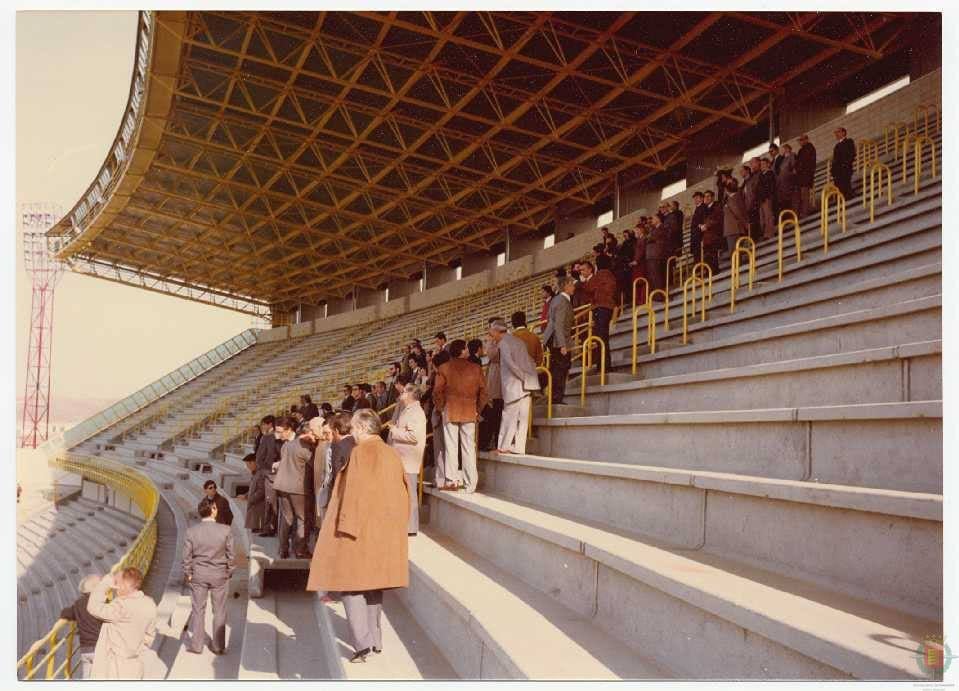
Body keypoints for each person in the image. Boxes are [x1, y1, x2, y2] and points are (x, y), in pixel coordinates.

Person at [307, 409, 409, 663]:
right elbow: (405, 495)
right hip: (384, 531)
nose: (351, 431)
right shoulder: (391, 453)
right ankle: (375, 640)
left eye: (353, 428)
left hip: (358, 531)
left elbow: (351, 496)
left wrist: (343, 529)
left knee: (351, 587)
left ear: (363, 429)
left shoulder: (361, 453)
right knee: (374, 587)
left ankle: (361, 645)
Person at [433, 339, 488, 493]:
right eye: (466, 348)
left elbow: (437, 391)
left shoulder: (443, 368)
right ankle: (471, 484)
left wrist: (441, 407)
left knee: (451, 447)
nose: (468, 350)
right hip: (470, 410)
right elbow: (484, 392)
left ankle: (452, 482)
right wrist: (478, 409)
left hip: (450, 410)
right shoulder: (476, 368)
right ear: (462, 350)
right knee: (469, 448)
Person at [182, 497, 235, 655]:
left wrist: (188, 574)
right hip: (219, 575)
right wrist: (229, 572)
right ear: (213, 510)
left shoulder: (191, 532)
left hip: (199, 575)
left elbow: (186, 557)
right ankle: (218, 646)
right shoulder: (226, 530)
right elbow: (231, 555)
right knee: (219, 610)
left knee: (198, 609)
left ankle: (197, 646)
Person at [87, 567, 157, 679]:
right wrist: (135, 651)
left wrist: (104, 585)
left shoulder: (121, 606)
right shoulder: (150, 604)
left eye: (117, 583)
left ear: (124, 585)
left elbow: (93, 607)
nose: (115, 587)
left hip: (115, 668)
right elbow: (149, 636)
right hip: (135, 663)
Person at [491, 319, 541, 455]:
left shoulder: (504, 343)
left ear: (496, 331)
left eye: (491, 331)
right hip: (527, 384)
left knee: (508, 416)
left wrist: (523, 377)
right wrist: (528, 380)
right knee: (523, 418)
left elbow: (511, 364)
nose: (491, 334)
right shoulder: (518, 341)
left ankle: (503, 446)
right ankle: (519, 447)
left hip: (515, 383)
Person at [388, 384, 427, 536]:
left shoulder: (416, 412)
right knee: (404, 495)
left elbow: (413, 436)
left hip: (409, 461)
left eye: (404, 391)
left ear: (411, 394)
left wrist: (394, 431)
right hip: (402, 459)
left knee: (410, 495)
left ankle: (411, 528)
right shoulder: (409, 410)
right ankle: (405, 526)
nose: (401, 393)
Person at [272, 416, 312, 559]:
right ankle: (300, 550)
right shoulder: (304, 446)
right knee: (302, 519)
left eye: (280, 431)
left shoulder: (286, 445)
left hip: (282, 485)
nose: (278, 435)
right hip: (297, 488)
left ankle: (283, 549)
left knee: (286, 519)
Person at [59, 575, 105, 679]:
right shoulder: (101, 602)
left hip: (86, 650)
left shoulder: (78, 604)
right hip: (100, 648)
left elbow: (65, 613)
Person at [541, 276, 575, 406]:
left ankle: (543, 387)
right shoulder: (562, 301)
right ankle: (556, 398)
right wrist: (562, 345)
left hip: (553, 338)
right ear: (565, 286)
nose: (574, 287)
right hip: (558, 339)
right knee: (561, 368)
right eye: (572, 285)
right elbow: (559, 324)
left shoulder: (556, 299)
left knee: (555, 368)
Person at [318, 412, 355, 529]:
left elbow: (337, 472)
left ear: (336, 431)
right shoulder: (357, 442)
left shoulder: (338, 446)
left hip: (342, 491)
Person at [579, 258, 616, 373]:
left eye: (583, 270)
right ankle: (603, 365)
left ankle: (605, 366)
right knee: (601, 338)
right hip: (603, 308)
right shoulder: (604, 276)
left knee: (601, 338)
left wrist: (582, 283)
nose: (582, 273)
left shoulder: (601, 274)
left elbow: (590, 289)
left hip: (602, 308)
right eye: (581, 271)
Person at [479, 317, 503, 452]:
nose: (489, 332)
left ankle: (498, 442)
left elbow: (493, 355)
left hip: (500, 386)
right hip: (496, 386)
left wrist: (489, 342)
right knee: (496, 414)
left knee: (497, 414)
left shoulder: (500, 342)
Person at [240, 453, 267, 533]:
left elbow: (261, 491)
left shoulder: (261, 474)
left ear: (253, 462)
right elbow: (253, 489)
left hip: (259, 512)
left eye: (248, 465)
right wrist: (245, 495)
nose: (247, 467)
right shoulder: (255, 473)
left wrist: (249, 499)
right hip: (254, 509)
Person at [723, 179, 749, 254]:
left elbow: (738, 212)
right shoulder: (728, 199)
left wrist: (745, 224)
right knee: (735, 252)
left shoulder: (735, 197)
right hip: (731, 229)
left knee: (735, 252)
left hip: (735, 228)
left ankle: (738, 265)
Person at [830, 126, 856, 201]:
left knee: (846, 186)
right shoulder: (836, 146)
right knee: (840, 187)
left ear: (843, 133)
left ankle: (849, 199)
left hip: (845, 168)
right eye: (835, 133)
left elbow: (852, 154)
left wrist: (845, 164)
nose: (836, 134)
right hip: (838, 171)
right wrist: (833, 171)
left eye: (838, 132)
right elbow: (835, 160)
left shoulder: (849, 141)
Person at [796, 134, 817, 218]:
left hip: (806, 175)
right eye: (799, 140)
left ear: (806, 140)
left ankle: (805, 212)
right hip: (802, 176)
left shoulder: (809, 148)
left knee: (805, 195)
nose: (800, 142)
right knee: (802, 195)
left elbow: (808, 163)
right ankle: (804, 211)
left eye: (802, 140)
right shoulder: (801, 150)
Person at [757, 157, 777, 240]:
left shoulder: (770, 174)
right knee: (763, 217)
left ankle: (770, 233)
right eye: (761, 165)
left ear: (768, 164)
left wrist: (768, 196)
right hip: (761, 199)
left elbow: (771, 187)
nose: (761, 166)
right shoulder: (761, 175)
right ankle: (766, 233)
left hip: (767, 198)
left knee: (768, 216)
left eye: (763, 164)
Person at [778, 143, 799, 215]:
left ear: (787, 149)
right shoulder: (783, 159)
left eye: (783, 149)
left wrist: (791, 175)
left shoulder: (792, 156)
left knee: (794, 199)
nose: (782, 151)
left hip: (790, 182)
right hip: (784, 183)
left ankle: (796, 214)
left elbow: (794, 168)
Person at [689, 191, 707, 264]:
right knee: (697, 256)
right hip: (695, 236)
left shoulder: (704, 207)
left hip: (700, 235)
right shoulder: (697, 208)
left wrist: (701, 225)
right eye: (694, 198)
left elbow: (704, 220)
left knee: (701, 255)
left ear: (702, 198)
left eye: (697, 198)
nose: (695, 200)